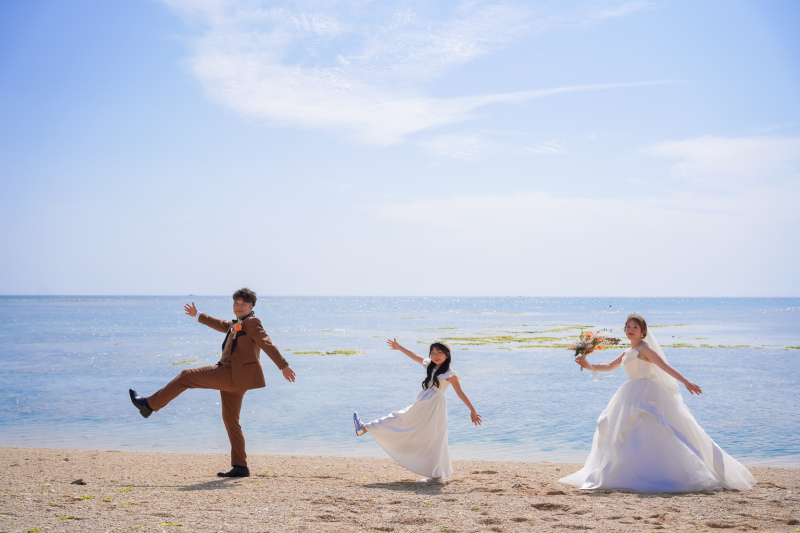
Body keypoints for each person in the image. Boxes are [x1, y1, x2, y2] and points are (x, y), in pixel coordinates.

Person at [560, 313, 756, 492]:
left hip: (646, 393)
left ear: (643, 332)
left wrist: (686, 382)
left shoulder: (645, 349)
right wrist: (588, 365)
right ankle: (627, 472)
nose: (630, 330)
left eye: (635, 327)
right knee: (612, 426)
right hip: (629, 392)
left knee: (654, 429)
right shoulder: (629, 350)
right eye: (628, 326)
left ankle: (661, 473)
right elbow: (610, 366)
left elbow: (665, 367)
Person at [128, 288, 296, 478]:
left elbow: (266, 343)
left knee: (186, 376)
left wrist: (283, 366)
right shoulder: (238, 323)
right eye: (236, 303)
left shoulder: (252, 322)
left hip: (231, 374)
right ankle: (240, 467)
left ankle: (149, 405)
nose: (239, 307)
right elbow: (222, 324)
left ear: (251, 307)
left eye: (243, 304)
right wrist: (198, 315)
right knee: (231, 422)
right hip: (237, 380)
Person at [353, 339, 482, 482]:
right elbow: (414, 356)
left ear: (447, 354)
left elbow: (460, 393)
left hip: (432, 406)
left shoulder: (449, 374)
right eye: (433, 353)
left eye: (439, 352)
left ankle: (364, 428)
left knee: (430, 435)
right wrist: (399, 347)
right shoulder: (431, 366)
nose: (435, 356)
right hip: (425, 404)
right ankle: (435, 476)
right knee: (415, 427)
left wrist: (472, 410)